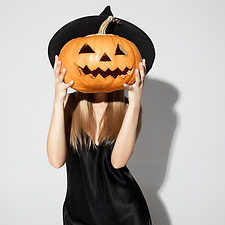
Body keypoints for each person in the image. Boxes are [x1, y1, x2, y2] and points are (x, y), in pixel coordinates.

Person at [46, 54, 152, 225]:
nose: (103, 62)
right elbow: (55, 160)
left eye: (113, 55)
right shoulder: (70, 105)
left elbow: (118, 162)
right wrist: (58, 102)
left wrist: (134, 103)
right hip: (78, 215)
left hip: (125, 214)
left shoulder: (128, 109)